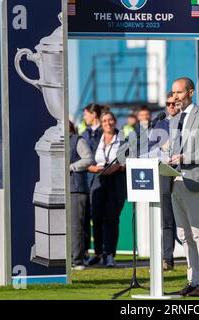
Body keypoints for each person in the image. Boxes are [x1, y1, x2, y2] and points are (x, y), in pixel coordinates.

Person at [168, 77, 199, 297]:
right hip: (175, 181)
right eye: (173, 93)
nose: (175, 97)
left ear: (191, 92)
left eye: (179, 92)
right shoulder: (175, 119)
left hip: (194, 181)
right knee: (184, 236)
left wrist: (184, 157)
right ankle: (192, 280)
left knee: (198, 234)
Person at [88, 111, 127, 267]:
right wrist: (93, 168)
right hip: (98, 180)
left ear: (115, 121)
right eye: (104, 120)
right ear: (101, 122)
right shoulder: (95, 139)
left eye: (110, 120)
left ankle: (109, 254)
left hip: (116, 181)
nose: (108, 123)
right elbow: (87, 160)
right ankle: (98, 253)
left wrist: (117, 167)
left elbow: (131, 160)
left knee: (111, 219)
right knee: (96, 218)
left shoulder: (123, 138)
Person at [149, 92, 181, 271]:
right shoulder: (160, 124)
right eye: (168, 104)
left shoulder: (187, 122)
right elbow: (149, 148)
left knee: (185, 218)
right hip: (164, 173)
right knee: (166, 219)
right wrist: (161, 147)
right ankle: (167, 258)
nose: (170, 107)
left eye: (174, 104)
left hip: (184, 173)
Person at [81, 103, 104, 265]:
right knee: (83, 218)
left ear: (94, 114)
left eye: (86, 114)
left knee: (99, 218)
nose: (84, 117)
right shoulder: (84, 133)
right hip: (86, 179)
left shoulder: (105, 132)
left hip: (101, 179)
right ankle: (84, 252)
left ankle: (100, 252)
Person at [69, 121, 94, 270]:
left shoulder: (78, 140)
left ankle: (77, 260)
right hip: (62, 189)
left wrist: (71, 167)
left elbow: (89, 159)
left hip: (76, 189)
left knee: (76, 227)